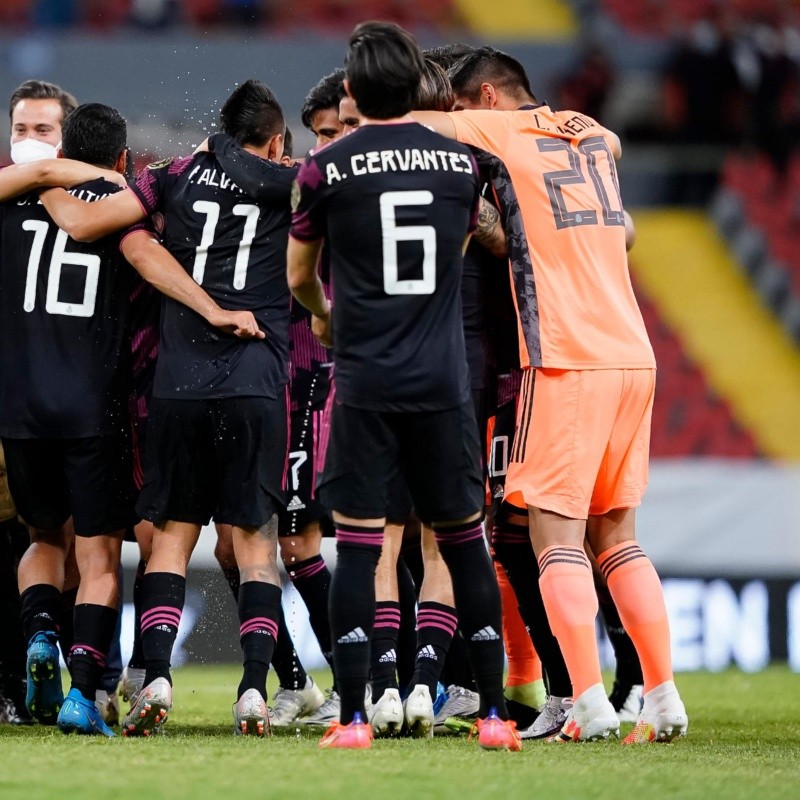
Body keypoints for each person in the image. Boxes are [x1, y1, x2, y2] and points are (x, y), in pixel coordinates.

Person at [414, 46, 688, 744]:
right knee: (617, 536)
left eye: (464, 107)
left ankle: (588, 702)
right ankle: (662, 697)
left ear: (487, 97)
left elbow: (412, 126)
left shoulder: (497, 129)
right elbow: (610, 150)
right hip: (635, 356)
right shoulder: (591, 131)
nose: (460, 120)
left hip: (566, 358)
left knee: (551, 534)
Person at [20, 80, 295, 737]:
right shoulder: (295, 180)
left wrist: (44, 179)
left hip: (175, 385)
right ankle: (255, 691)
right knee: (256, 548)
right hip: (256, 378)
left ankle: (156, 676)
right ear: (277, 139)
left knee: (167, 543)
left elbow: (95, 225)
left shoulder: (172, 174)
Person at [287, 22, 520, 751]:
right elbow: (466, 244)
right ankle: (490, 716)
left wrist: (326, 318)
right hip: (443, 380)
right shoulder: (463, 164)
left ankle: (355, 716)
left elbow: (300, 277)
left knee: (358, 547)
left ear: (353, 89)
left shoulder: (325, 169)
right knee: (463, 544)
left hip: (366, 381)